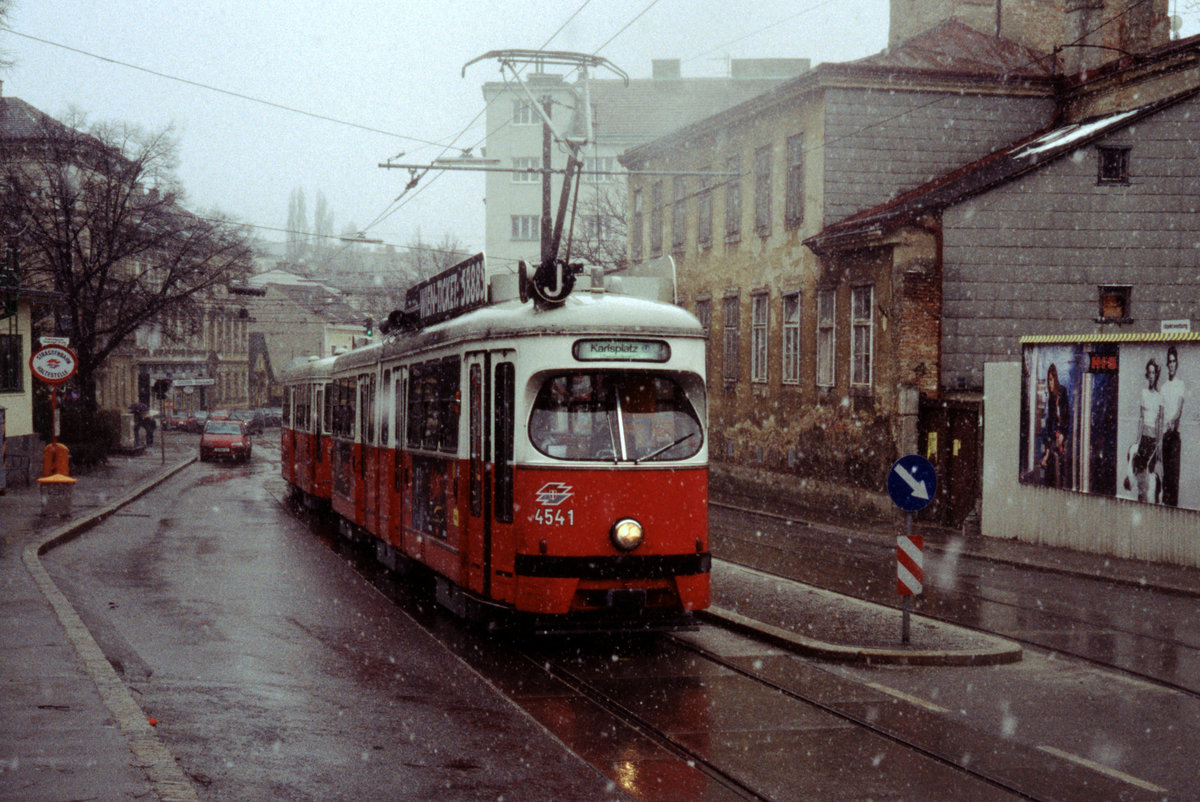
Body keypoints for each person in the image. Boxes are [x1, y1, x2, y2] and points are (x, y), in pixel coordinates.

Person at [1133, 357, 1164, 503]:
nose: (1151, 376)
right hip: (1144, 440)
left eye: (1154, 373)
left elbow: (1159, 422)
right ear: (1147, 375)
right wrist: (1137, 441)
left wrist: (1159, 445)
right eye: (1149, 373)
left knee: (1150, 479)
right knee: (1140, 478)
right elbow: (1141, 418)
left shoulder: (1160, 397)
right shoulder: (1143, 393)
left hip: (1153, 442)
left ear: (1156, 375)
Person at [1161, 346, 1186, 506]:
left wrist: (1172, 422)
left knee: (1174, 476)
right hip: (1165, 437)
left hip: (1174, 437)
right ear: (1167, 364)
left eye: (1173, 362)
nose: (1171, 365)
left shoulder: (1180, 385)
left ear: (1176, 364)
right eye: (1169, 362)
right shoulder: (1163, 387)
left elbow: (1179, 409)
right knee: (1166, 477)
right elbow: (1161, 412)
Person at [1040, 363, 1071, 488]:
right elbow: (1050, 422)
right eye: (1048, 381)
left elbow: (1067, 416)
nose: (1050, 384)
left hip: (1063, 436)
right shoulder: (1051, 399)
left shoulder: (1062, 392)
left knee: (1063, 469)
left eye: (1052, 380)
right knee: (1052, 469)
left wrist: (1063, 434)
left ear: (1055, 379)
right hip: (1054, 437)